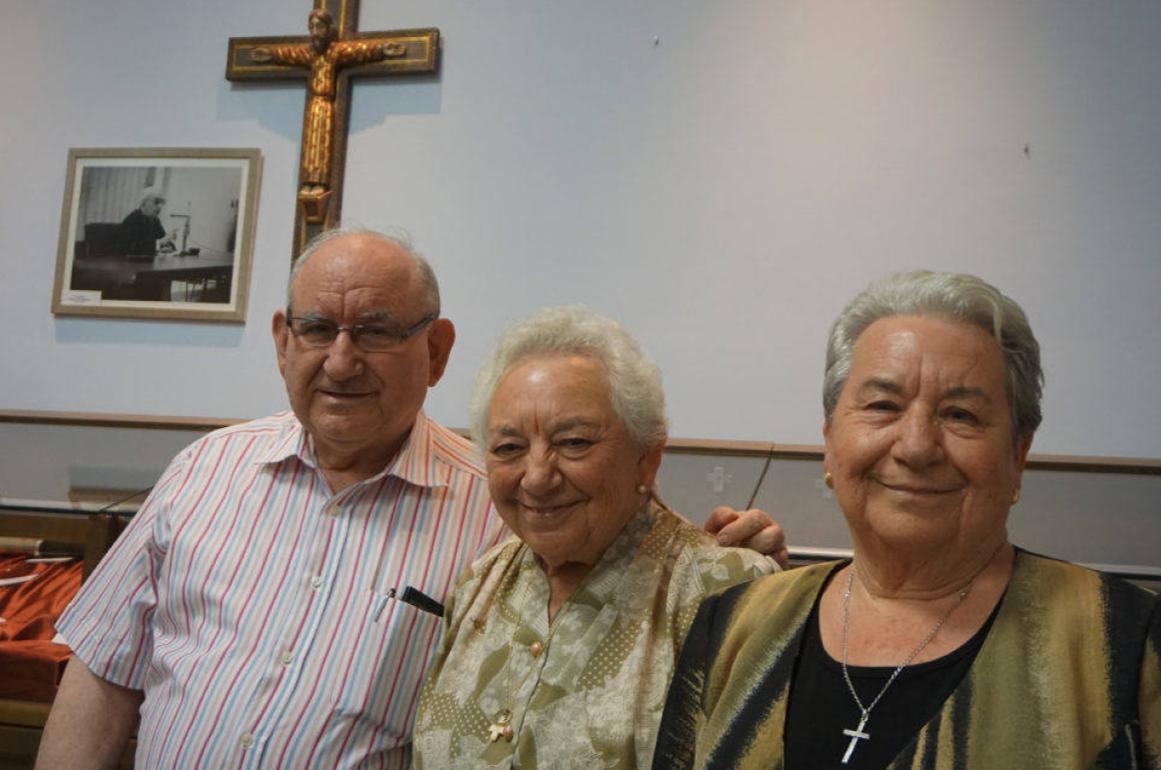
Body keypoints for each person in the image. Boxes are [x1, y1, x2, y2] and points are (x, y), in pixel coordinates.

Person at [35, 228, 785, 770]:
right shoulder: (203, 469)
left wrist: (747, 570)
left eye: (376, 331)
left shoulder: (494, 509)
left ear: (435, 351)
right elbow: (104, 669)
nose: (341, 359)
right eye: (318, 328)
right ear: (281, 341)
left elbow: (626, 532)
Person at [653, 271, 1161, 769]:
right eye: (882, 405)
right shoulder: (733, 626)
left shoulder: (1124, 641)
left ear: (1018, 454)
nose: (916, 445)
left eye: (960, 413)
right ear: (830, 441)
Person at [412, 306, 781, 769]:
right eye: (509, 448)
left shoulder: (726, 592)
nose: (537, 477)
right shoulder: (479, 585)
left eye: (574, 443)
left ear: (647, 456)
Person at [250, 10, 407, 223]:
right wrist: (270, 54)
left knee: (322, 146)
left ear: (329, 28)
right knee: (311, 146)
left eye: (320, 27)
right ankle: (309, 182)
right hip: (314, 105)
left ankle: (320, 183)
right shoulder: (309, 54)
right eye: (312, 27)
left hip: (326, 105)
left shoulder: (334, 53)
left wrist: (381, 50)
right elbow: (287, 53)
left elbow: (359, 51)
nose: (315, 32)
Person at [118, 189, 176, 256]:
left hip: (147, 261)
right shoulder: (132, 219)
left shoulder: (155, 220)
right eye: (156, 202)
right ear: (144, 203)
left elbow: (162, 237)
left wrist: (167, 244)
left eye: (161, 203)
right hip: (129, 263)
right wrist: (159, 243)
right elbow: (135, 247)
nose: (160, 206)